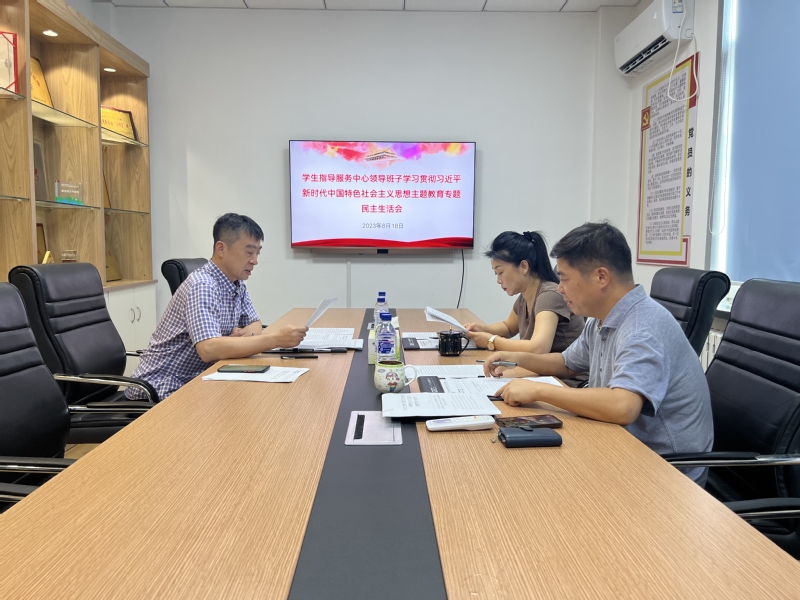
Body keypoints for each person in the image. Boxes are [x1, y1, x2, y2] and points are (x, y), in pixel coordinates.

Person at [483, 222, 713, 484]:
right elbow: (566, 363)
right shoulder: (602, 318)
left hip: (665, 472)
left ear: (601, 277)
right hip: (620, 445)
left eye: (565, 278)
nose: (560, 288)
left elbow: (623, 407)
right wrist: (516, 359)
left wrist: (538, 390)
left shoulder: (642, 327)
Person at [126, 213, 307, 400]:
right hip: (162, 384)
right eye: (249, 252)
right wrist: (276, 339)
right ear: (221, 248)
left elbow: (255, 323)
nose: (255, 260)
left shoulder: (236, 283)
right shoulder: (203, 285)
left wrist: (239, 339)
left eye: (257, 253)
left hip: (200, 377)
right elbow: (209, 349)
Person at [464, 231, 584, 361]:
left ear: (523, 266)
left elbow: (538, 348)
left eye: (500, 272)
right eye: (496, 274)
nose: (498, 280)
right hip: (540, 370)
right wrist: (482, 329)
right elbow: (508, 327)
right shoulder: (525, 296)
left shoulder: (549, 295)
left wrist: (492, 341)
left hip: (564, 373)